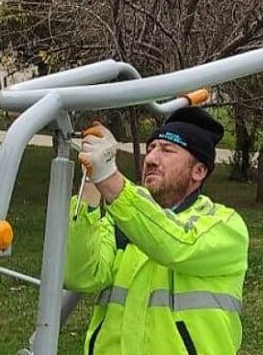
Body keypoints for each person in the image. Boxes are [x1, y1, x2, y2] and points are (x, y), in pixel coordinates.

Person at [66, 106, 249, 355]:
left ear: (198, 171)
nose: (151, 159)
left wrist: (109, 177)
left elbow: (175, 244)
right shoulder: (123, 218)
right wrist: (91, 182)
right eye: (150, 148)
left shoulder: (226, 225)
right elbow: (80, 275)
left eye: (167, 150)